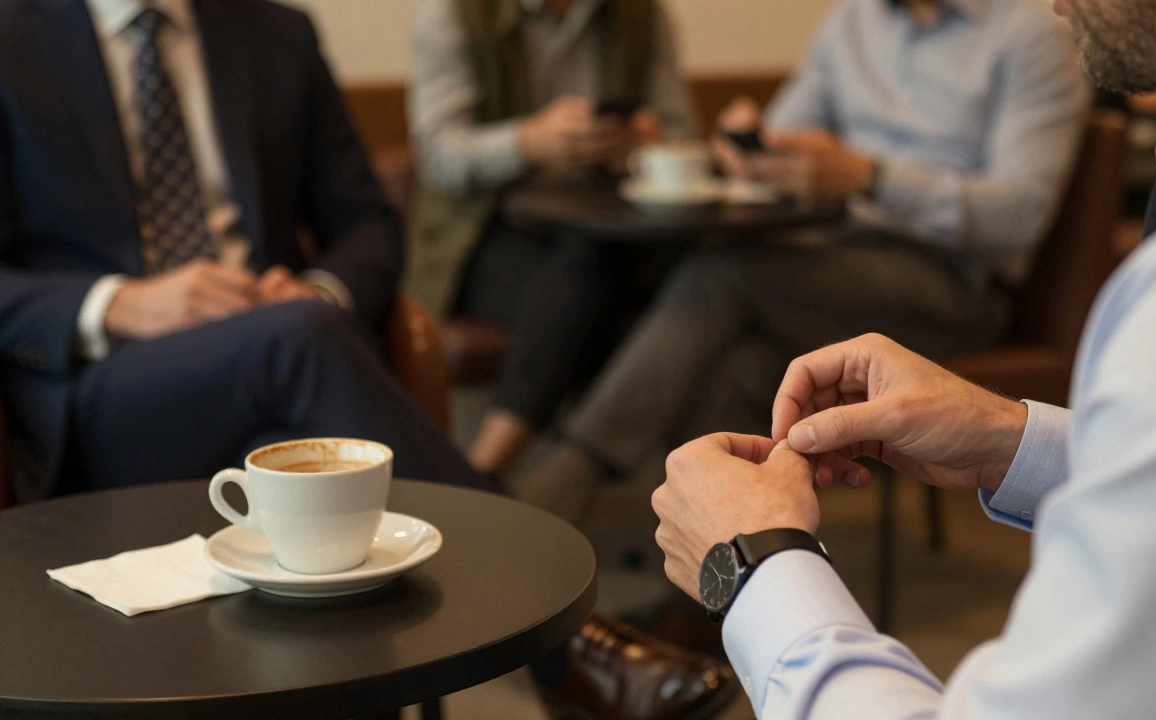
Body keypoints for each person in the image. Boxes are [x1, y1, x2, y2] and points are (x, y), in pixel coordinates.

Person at [0, 1, 733, 717]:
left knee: (315, 519)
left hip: (280, 369)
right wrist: (115, 302)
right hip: (103, 387)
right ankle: (577, 643)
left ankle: (558, 635)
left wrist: (319, 290)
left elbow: (367, 222)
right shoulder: (13, 34)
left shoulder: (274, 33)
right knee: (300, 352)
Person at [651, 0, 1156, 716]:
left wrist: (752, 564)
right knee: (721, 325)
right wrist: (1013, 439)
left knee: (713, 288)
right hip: (843, 258)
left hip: (946, 280)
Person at [515, 0, 1092, 523]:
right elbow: (786, 128)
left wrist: (870, 179)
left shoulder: (1031, 33)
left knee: (723, 275)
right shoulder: (853, 22)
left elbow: (1019, 213)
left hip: (949, 283)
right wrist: (754, 144)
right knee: (739, 363)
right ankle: (710, 585)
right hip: (828, 267)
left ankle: (571, 474)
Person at [404, 0, 696, 480]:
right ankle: (495, 474)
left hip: (619, 235)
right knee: (646, 297)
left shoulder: (641, 15)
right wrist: (529, 142)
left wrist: (646, 146)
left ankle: (488, 475)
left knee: (655, 276)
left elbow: (682, 134)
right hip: (485, 235)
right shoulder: (455, 13)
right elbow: (438, 155)